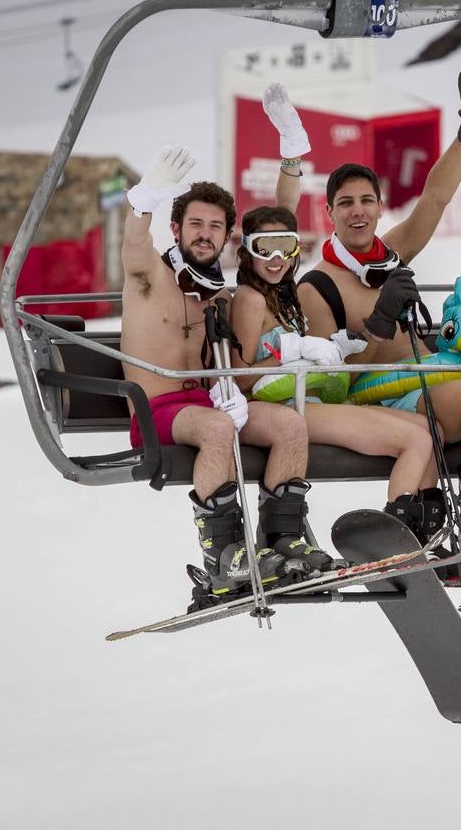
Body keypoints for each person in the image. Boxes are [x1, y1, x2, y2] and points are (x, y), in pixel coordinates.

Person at [296, 64, 461, 580]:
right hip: (383, 396)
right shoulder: (319, 284)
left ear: (379, 208)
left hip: (434, 381)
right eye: (345, 204)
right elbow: (333, 380)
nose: (358, 213)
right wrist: (379, 320)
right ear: (327, 213)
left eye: (367, 202)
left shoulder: (389, 254)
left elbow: (435, 200)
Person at [119, 85, 325, 600]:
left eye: (215, 226)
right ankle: (225, 556)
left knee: (290, 426)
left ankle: (283, 541)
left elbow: (278, 225)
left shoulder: (219, 291)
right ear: (177, 228)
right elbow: (133, 243)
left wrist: (292, 152)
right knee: (216, 428)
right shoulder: (150, 279)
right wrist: (143, 197)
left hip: (209, 403)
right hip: (158, 408)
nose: (205, 234)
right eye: (195, 225)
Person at [229, 204, 446, 545]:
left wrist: (339, 347)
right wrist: (291, 353)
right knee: (415, 439)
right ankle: (394, 541)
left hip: (306, 398)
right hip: (279, 405)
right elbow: (237, 378)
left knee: (429, 429)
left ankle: (425, 535)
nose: (275, 258)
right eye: (263, 247)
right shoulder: (250, 298)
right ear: (247, 252)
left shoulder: (283, 294)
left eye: (285, 247)